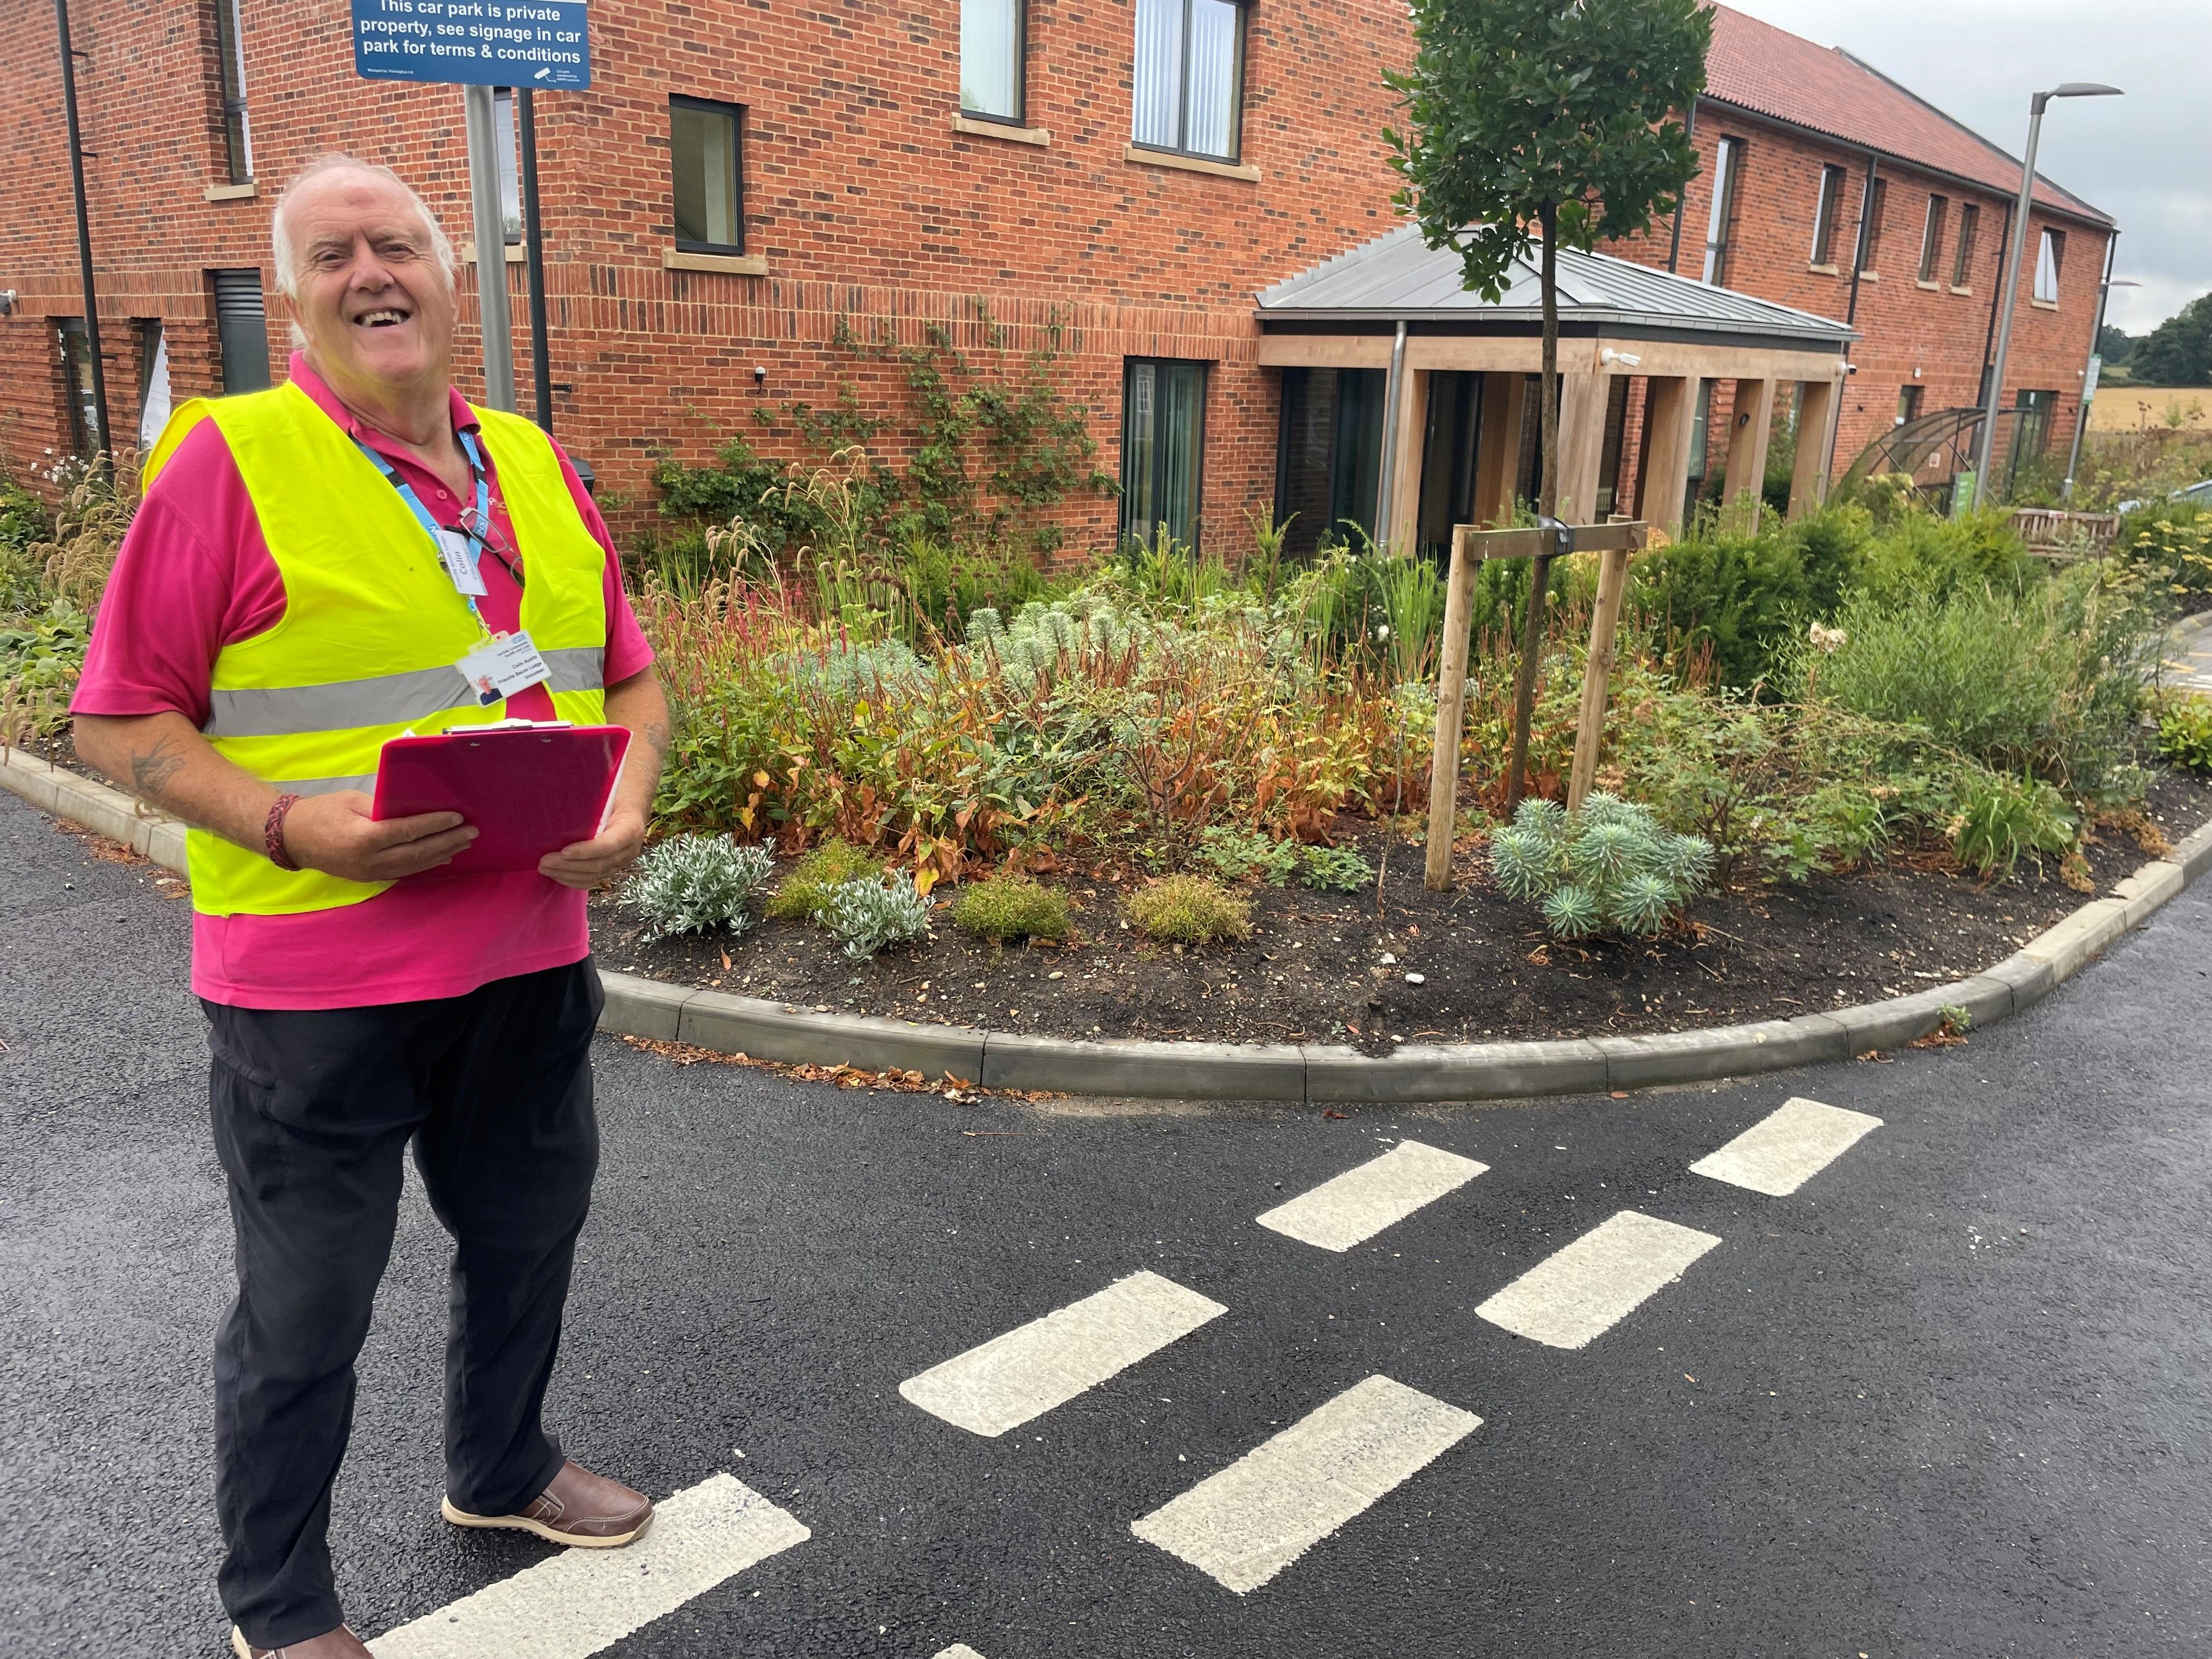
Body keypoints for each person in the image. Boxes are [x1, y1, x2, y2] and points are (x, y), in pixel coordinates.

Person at [72, 155, 669, 1659]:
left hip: (527, 961)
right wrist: (291, 825)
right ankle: (279, 1605)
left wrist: (629, 803)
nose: (371, 274)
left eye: (396, 244)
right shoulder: (229, 460)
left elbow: (633, 676)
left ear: (452, 276)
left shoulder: (532, 460)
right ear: (289, 301)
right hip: (311, 988)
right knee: (308, 1307)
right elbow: (118, 722)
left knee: (528, 1235)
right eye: (332, 256)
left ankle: (503, 1470)